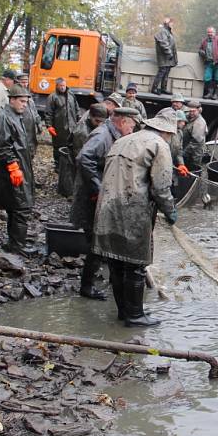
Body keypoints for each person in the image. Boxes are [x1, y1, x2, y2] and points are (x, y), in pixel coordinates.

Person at [92, 108, 178, 327]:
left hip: (105, 209)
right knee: (135, 265)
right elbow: (161, 187)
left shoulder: (122, 140)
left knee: (116, 264)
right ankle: (135, 315)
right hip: (133, 211)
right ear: (166, 132)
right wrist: (170, 211)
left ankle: (124, 312)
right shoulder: (160, 146)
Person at [71, 107, 139, 301]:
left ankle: (108, 279)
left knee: (104, 238)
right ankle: (87, 287)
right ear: (122, 121)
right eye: (131, 126)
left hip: (101, 196)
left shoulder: (113, 134)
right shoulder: (102, 135)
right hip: (92, 198)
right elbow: (83, 158)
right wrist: (97, 188)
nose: (132, 130)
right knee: (97, 241)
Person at [0, 84, 37, 257]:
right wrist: (13, 166)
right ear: (12, 100)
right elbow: (2, 145)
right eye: (22, 101)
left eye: (26, 102)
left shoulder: (17, 116)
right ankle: (18, 246)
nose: (25, 105)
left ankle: (14, 243)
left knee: (15, 207)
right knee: (21, 207)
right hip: (12, 170)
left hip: (20, 167)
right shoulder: (5, 117)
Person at [44, 77, 79, 166]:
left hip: (72, 127)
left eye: (64, 85)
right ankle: (57, 165)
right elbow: (48, 113)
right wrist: (49, 126)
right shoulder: (52, 97)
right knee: (58, 147)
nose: (63, 87)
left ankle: (68, 164)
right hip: (59, 128)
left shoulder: (71, 95)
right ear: (57, 86)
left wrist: (79, 122)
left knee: (71, 146)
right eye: (61, 86)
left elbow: (77, 109)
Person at [16, 72, 45, 156]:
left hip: (31, 130)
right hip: (21, 129)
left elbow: (34, 111)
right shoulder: (14, 95)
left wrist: (39, 123)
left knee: (31, 150)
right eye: (22, 82)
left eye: (26, 81)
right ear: (17, 82)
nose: (25, 84)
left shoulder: (28, 94)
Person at [198, 27, 218, 99]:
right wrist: (201, 52)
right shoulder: (204, 41)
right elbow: (200, 49)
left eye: (211, 32)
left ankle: (216, 94)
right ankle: (210, 93)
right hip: (208, 62)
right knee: (207, 77)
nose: (210, 34)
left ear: (214, 33)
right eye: (208, 32)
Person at [151, 17, 177, 95]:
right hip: (164, 56)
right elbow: (164, 44)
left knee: (166, 72)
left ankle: (163, 88)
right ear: (167, 24)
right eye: (171, 23)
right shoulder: (163, 32)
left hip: (168, 57)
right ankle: (154, 88)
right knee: (162, 72)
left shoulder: (168, 32)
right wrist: (169, 53)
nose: (172, 24)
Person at [181, 100, 207, 171]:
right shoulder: (188, 117)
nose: (191, 113)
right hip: (186, 148)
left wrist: (183, 153)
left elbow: (195, 142)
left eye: (193, 111)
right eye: (190, 111)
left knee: (192, 170)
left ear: (199, 110)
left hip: (194, 153)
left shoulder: (199, 123)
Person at [169, 108, 189, 191]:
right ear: (176, 121)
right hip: (165, 163)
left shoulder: (180, 133)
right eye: (182, 121)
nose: (184, 123)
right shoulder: (167, 132)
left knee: (173, 184)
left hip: (173, 163)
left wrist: (181, 164)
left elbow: (179, 151)